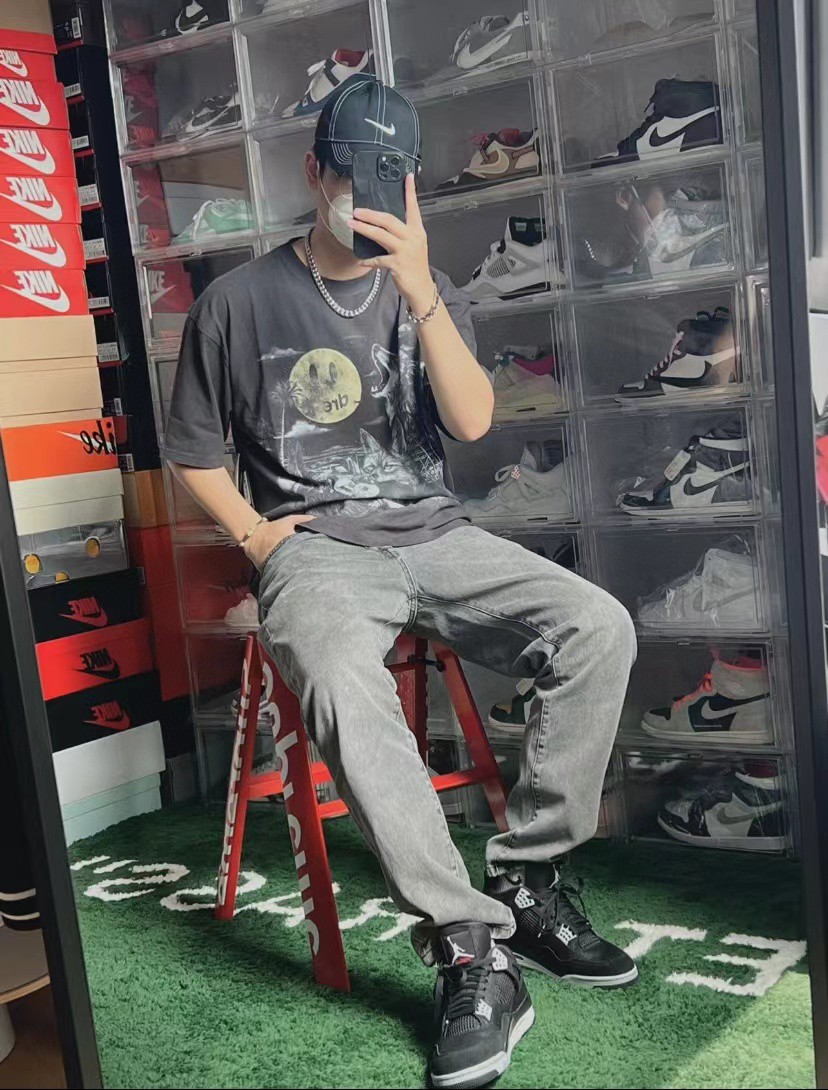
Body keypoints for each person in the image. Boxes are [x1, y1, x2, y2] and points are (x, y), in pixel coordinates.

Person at [164, 73, 637, 1090]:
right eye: (349, 178)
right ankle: (470, 948)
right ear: (315, 173)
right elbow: (194, 451)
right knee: (338, 674)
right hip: (315, 547)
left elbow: (472, 422)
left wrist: (421, 289)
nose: (364, 199)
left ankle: (530, 880)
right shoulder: (235, 303)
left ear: (410, 184)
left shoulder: (425, 285)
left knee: (597, 623)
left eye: (387, 179)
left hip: (435, 532)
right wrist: (254, 536)